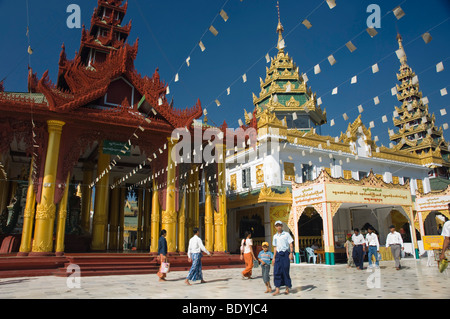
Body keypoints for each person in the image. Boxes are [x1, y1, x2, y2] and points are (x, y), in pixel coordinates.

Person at [272, 220, 294, 296]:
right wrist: (274, 258)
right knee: (276, 271)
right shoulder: (275, 236)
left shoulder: (286, 234)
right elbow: (275, 247)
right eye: (277, 226)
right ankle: (277, 289)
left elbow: (291, 244)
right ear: (275, 227)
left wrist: (291, 253)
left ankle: (287, 288)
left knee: (285, 271)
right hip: (278, 254)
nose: (278, 227)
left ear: (282, 226)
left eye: (280, 225)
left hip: (285, 254)